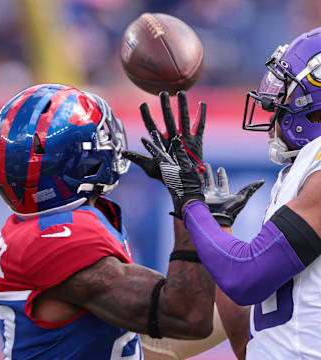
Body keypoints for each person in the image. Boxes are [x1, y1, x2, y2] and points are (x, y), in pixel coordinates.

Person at [0, 83, 262, 359]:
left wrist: (202, 216)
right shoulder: (60, 239)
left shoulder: (42, 227)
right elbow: (187, 316)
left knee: (260, 301)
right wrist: (188, 201)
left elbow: (135, 342)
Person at [127, 26, 321, 360]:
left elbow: (245, 275)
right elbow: (251, 338)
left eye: (284, 94)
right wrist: (213, 222)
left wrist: (190, 200)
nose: (272, 110)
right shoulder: (302, 171)